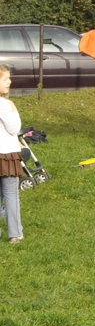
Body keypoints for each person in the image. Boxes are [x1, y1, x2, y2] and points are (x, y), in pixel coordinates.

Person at [0, 65, 25, 243]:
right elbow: (14, 128)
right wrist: (14, 109)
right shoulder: (5, 104)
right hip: (7, 155)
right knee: (11, 194)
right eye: (5, 79)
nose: (10, 82)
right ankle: (15, 234)